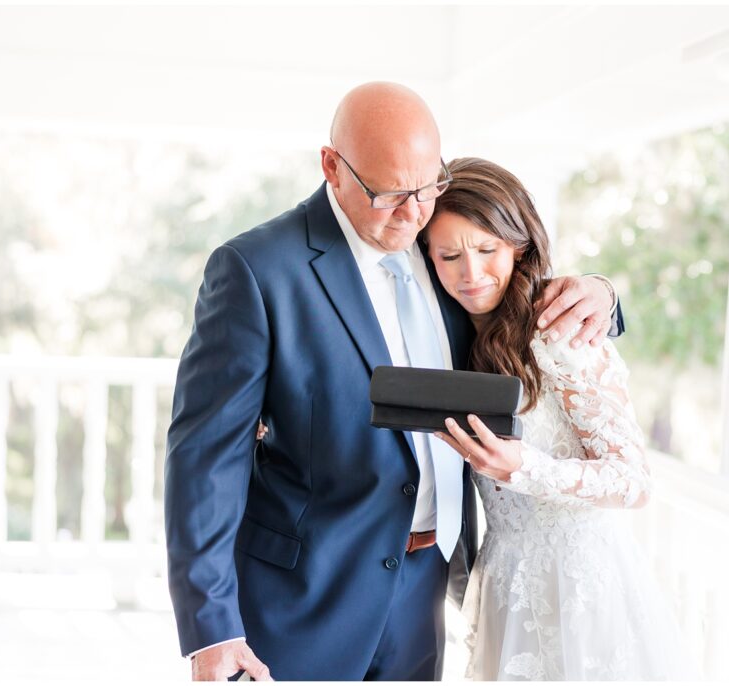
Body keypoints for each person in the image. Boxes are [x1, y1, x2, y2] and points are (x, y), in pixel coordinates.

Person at [163, 82, 622, 681]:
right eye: (387, 194)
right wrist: (211, 627)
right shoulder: (257, 270)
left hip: (425, 594)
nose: (412, 213)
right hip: (300, 600)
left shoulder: (446, 247)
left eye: (427, 187)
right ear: (332, 165)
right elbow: (204, 458)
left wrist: (606, 297)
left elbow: (521, 284)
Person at [427, 157, 698, 680]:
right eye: (449, 255)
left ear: (519, 245)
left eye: (487, 250)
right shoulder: (450, 333)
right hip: (504, 578)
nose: (471, 273)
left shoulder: (560, 331)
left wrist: (524, 467)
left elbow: (633, 481)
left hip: (582, 587)